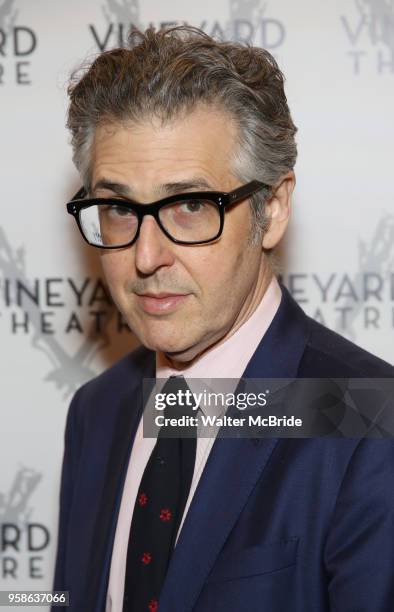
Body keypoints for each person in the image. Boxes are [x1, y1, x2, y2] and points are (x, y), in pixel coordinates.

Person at [53, 26, 394, 612]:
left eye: (189, 205)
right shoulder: (98, 409)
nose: (146, 256)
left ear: (274, 209)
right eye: (117, 209)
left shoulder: (370, 418)